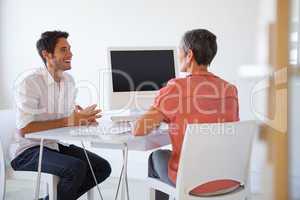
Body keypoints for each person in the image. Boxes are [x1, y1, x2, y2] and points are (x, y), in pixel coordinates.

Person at [133, 29, 240, 199]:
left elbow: (138, 129)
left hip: (193, 183)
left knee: (156, 156)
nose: (178, 55)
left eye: (179, 51)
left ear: (189, 54)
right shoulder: (230, 90)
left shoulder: (176, 88)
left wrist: (161, 112)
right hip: (229, 178)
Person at [10, 31, 111, 200]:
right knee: (75, 168)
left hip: (52, 146)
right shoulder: (29, 82)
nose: (71, 54)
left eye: (70, 49)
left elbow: (68, 116)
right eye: (63, 50)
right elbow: (25, 129)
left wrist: (82, 119)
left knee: (101, 167)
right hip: (26, 151)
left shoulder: (68, 81)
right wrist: (71, 120)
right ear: (47, 54)